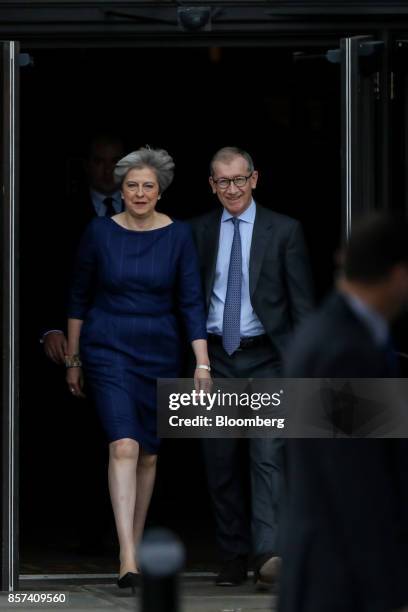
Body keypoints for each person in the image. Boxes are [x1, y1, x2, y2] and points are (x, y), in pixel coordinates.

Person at [66, 147, 211, 590]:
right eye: (132, 185)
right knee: (124, 444)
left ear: (160, 190)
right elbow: (78, 296)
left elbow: (190, 301)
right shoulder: (98, 231)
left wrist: (202, 363)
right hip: (108, 346)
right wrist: (73, 358)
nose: (140, 193)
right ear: (120, 188)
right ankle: (128, 556)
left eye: (149, 185)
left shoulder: (179, 235)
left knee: (149, 452)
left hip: (160, 349)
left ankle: (134, 541)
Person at [191, 146, 314, 588]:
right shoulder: (197, 231)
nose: (232, 189)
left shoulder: (285, 231)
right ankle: (232, 554)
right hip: (216, 361)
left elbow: (302, 305)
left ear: (255, 179)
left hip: (269, 358)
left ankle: (269, 556)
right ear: (211, 185)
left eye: (239, 179)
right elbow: (187, 300)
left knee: (267, 456)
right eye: (222, 181)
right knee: (219, 460)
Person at [280, 213, 408, 612]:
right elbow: (356, 481)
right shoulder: (345, 352)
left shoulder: (324, 333)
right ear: (399, 275)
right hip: (340, 583)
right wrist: (389, 592)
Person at [41, 133, 125, 361]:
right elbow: (46, 270)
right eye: (99, 161)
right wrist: (52, 328)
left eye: (115, 162)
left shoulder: (146, 207)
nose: (108, 170)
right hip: (77, 334)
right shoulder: (60, 213)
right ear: (87, 166)